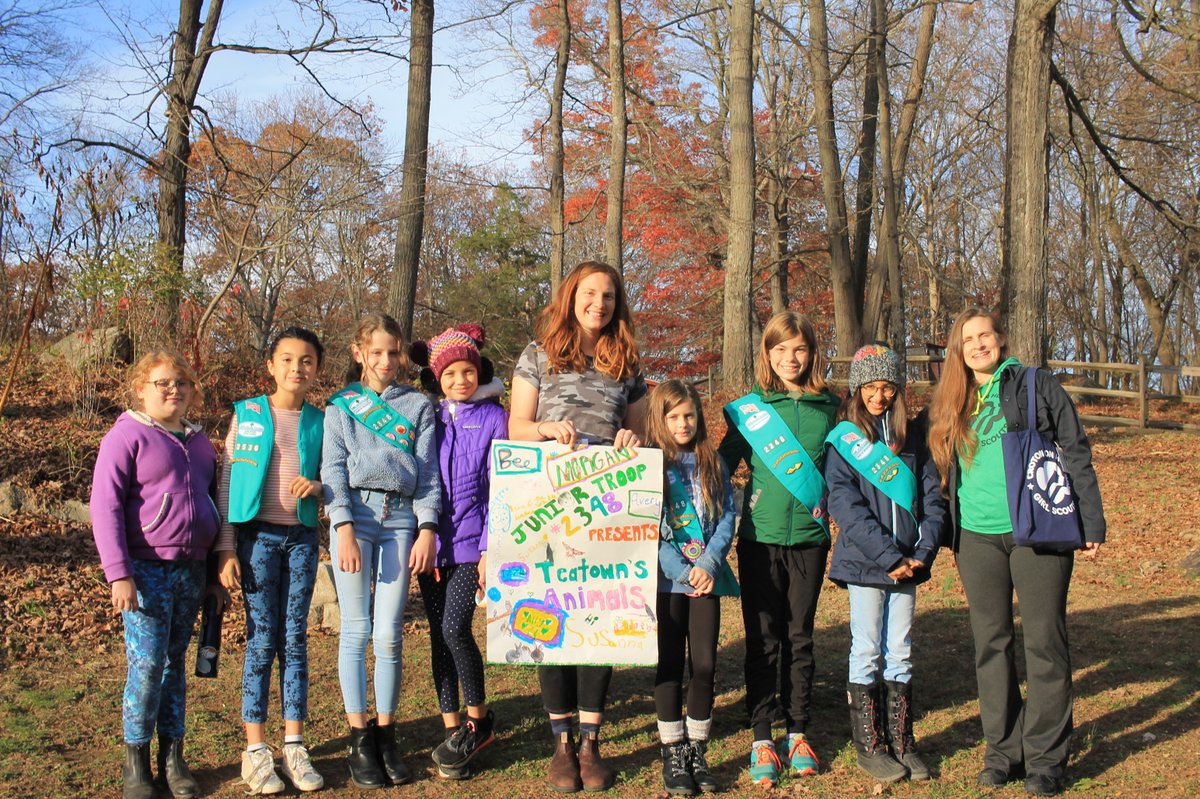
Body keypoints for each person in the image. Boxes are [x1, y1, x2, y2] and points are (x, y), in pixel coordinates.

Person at [927, 309, 1105, 798]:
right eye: (968, 339)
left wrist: (1090, 521)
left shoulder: (1035, 384)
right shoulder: (951, 399)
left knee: (1045, 643)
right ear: (958, 350)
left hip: (1037, 532)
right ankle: (1003, 753)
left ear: (1001, 339)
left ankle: (1046, 760)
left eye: (985, 335)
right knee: (991, 644)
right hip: (976, 538)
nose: (978, 344)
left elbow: (1075, 448)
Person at [508, 260, 647, 793]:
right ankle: (562, 744)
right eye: (590, 293)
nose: (599, 304)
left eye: (608, 296)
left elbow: (637, 435)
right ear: (571, 296)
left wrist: (631, 440)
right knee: (551, 616)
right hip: (546, 504)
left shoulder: (626, 361)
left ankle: (591, 743)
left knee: (599, 621)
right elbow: (516, 427)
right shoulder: (538, 354)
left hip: (606, 507)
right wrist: (544, 428)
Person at [90, 349, 224, 799]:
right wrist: (118, 573)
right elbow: (105, 507)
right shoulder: (125, 437)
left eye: (181, 383)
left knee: (174, 665)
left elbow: (212, 504)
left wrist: (212, 575)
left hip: (191, 569)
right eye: (163, 383)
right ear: (140, 389)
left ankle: (173, 757)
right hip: (144, 570)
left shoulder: (200, 443)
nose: (174, 390)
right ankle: (136, 762)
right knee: (147, 666)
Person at [718, 311, 840, 786]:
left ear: (812, 353)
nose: (790, 358)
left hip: (810, 540)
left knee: (800, 637)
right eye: (780, 349)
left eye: (800, 349)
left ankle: (798, 731)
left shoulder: (830, 409)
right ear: (766, 354)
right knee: (763, 638)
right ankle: (762, 737)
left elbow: (845, 472)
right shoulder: (751, 412)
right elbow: (718, 467)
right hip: (759, 540)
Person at [322, 312, 440, 789]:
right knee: (356, 628)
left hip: (402, 520)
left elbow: (428, 473)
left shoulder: (418, 405)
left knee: (390, 633)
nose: (386, 360)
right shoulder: (341, 407)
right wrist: (343, 527)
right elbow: (332, 469)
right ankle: (358, 738)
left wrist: (428, 527)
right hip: (356, 516)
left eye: (393, 352)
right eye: (376, 352)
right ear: (359, 353)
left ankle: (386, 734)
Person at [824, 344, 946, 783]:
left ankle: (902, 741)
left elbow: (933, 498)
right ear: (857, 389)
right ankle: (870, 746)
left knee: (901, 649)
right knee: (867, 649)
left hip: (909, 563)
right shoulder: (844, 441)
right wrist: (888, 556)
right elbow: (845, 505)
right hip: (867, 563)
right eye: (870, 387)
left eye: (888, 387)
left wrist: (922, 553)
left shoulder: (912, 437)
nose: (879, 396)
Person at [214, 327, 326, 794]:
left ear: (316, 368)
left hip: (301, 540)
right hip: (256, 540)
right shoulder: (248, 415)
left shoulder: (321, 420)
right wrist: (225, 548)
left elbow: (335, 477)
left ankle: (294, 745)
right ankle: (256, 751)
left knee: (294, 639)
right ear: (270, 366)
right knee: (262, 641)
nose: (296, 368)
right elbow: (226, 482)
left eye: (306, 360)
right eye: (287, 359)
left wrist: (319, 488)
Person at [409, 324, 507, 779]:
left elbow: (502, 486)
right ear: (437, 378)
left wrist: (489, 549)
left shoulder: (494, 417)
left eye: (467, 371)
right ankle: (453, 731)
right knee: (438, 637)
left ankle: (478, 721)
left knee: (455, 628)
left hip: (472, 544)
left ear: (479, 371)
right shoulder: (428, 417)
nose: (460, 380)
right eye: (449, 374)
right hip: (431, 545)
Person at [645, 380, 739, 796]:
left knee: (704, 666)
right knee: (669, 665)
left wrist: (709, 563)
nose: (683, 424)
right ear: (660, 420)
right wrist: (683, 571)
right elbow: (648, 528)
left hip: (707, 581)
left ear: (699, 416)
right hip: (669, 584)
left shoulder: (712, 462)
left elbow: (728, 516)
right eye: (674, 417)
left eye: (689, 415)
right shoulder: (651, 465)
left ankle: (697, 749)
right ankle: (673, 751)